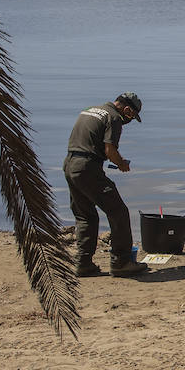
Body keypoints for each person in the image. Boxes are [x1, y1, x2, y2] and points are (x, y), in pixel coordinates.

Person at [63, 93, 148, 278]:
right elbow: (110, 150)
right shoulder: (114, 117)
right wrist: (121, 164)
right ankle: (121, 262)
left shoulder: (90, 111)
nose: (129, 120)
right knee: (118, 212)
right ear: (127, 110)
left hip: (71, 165)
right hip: (87, 168)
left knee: (86, 216)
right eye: (132, 117)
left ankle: (83, 264)